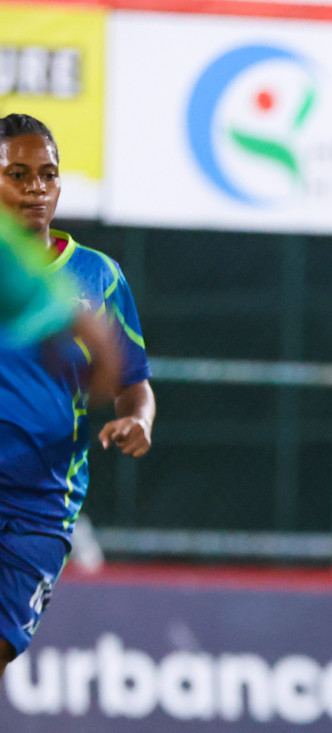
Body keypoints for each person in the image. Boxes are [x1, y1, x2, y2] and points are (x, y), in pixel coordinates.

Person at [0, 113, 155, 671]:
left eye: (47, 174)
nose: (36, 187)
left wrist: (139, 419)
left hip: (44, 500)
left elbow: (133, 385)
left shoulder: (100, 277)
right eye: (18, 173)